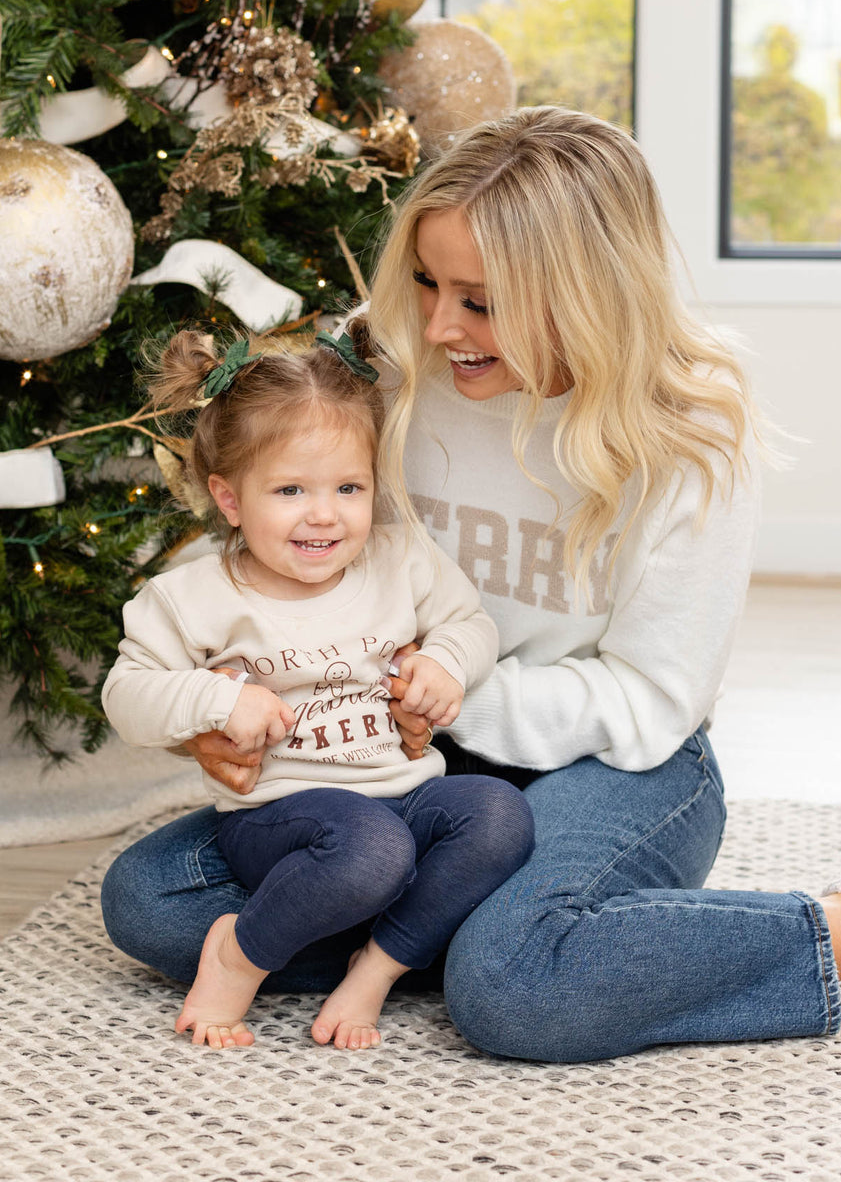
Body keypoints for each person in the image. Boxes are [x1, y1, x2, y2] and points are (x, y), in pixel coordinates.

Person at [101, 107, 841, 1064]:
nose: (440, 325)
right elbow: (272, 538)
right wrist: (225, 704)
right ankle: (506, 922)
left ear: (584, 293)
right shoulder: (388, 366)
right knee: (152, 901)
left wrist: (436, 692)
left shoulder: (690, 438)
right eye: (424, 282)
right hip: (405, 763)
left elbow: (656, 698)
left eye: (482, 302)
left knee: (513, 993)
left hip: (618, 764)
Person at [101, 331, 534, 1050]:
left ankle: (377, 966)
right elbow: (127, 694)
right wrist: (217, 703)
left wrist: (448, 665)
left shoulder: (399, 559)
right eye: (291, 490)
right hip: (285, 813)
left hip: (402, 790)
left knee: (498, 814)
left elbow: (468, 622)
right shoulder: (195, 597)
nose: (324, 514)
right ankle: (238, 956)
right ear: (229, 498)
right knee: (371, 850)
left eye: (348, 488)